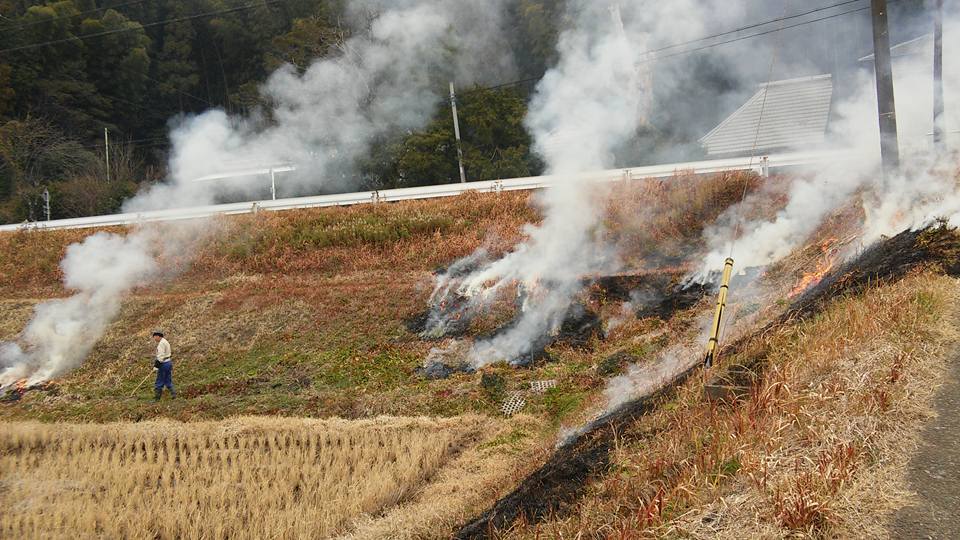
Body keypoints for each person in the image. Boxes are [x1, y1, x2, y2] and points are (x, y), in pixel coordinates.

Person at [152, 330, 174, 401]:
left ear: (158, 336)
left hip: (163, 364)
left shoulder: (161, 344)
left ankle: (156, 399)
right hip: (168, 362)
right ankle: (174, 395)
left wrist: (156, 366)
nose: (154, 339)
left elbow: (160, 357)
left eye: (154, 337)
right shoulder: (165, 341)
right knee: (168, 380)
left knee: (159, 381)